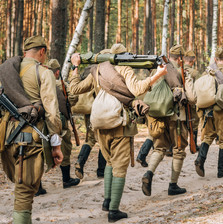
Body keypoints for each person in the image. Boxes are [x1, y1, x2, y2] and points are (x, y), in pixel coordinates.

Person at [69, 43, 167, 223]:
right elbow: (137, 90)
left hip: (101, 124)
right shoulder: (125, 69)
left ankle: (107, 201)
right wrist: (157, 75)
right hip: (120, 125)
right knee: (120, 167)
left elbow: (74, 89)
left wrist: (75, 67)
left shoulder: (97, 71)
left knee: (109, 162)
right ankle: (114, 211)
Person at [0, 36, 63, 223]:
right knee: (25, 191)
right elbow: (51, 110)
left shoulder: (8, 72)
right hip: (30, 139)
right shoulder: (43, 72)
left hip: (8, 136)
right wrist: (56, 144)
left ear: (25, 52)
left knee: (21, 189)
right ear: (42, 52)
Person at [141, 44, 196, 196]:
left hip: (158, 116)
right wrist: (188, 79)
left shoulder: (158, 70)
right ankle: (173, 185)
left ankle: (149, 174)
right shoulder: (181, 71)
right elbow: (191, 98)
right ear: (180, 58)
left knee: (159, 148)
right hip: (177, 118)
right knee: (178, 150)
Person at [194, 47, 223, 178]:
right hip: (222, 111)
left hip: (207, 110)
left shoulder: (208, 71)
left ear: (215, 59)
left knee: (208, 136)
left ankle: (200, 160)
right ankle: (221, 170)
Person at [46, 59, 81, 188]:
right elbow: (73, 98)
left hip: (43, 120)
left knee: (40, 149)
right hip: (60, 120)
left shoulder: (40, 82)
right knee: (65, 146)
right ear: (57, 72)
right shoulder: (61, 84)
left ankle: (37, 186)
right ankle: (66, 179)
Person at [184, 50, 200, 150]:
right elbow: (199, 88)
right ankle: (193, 144)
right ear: (193, 60)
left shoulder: (177, 70)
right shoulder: (194, 72)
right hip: (191, 102)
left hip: (179, 101)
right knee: (194, 123)